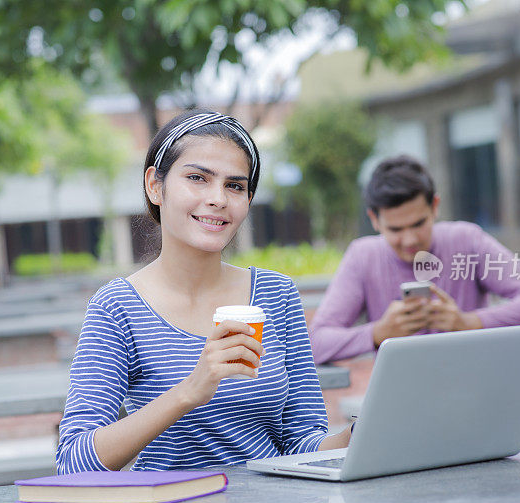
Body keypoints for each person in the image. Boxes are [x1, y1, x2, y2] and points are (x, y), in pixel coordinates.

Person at [57, 110, 352, 473]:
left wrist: (358, 435)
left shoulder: (278, 294)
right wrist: (188, 392)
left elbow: (302, 442)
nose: (218, 199)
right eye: (197, 178)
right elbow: (74, 462)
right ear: (155, 185)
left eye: (235, 186)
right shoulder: (116, 307)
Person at [310, 155, 520, 365]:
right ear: (374, 220)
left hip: (474, 390)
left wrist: (470, 322)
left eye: (418, 224)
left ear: (435, 206)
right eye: (396, 230)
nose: (409, 240)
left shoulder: (466, 240)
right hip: (400, 401)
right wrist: (377, 333)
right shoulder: (363, 256)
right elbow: (315, 343)